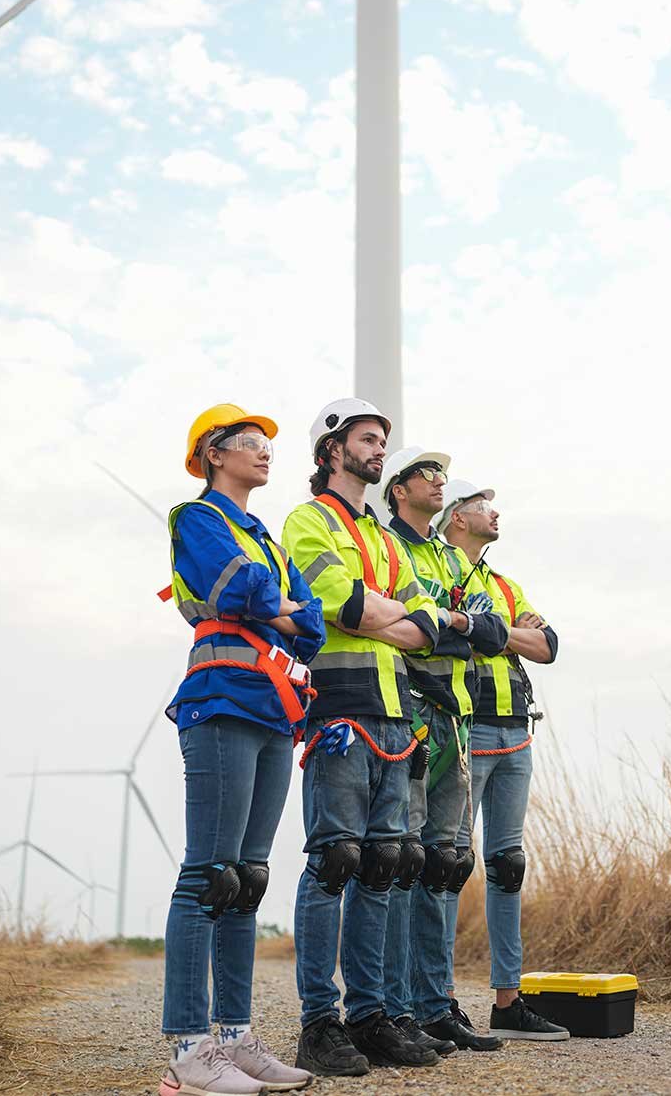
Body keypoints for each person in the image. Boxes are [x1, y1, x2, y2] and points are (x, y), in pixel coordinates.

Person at [158, 403, 327, 1096]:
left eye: (267, 444)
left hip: (274, 709)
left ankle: (235, 1037)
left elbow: (311, 624)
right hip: (221, 699)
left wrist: (278, 608)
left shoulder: (268, 540)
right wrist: (275, 606)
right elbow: (236, 588)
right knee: (208, 875)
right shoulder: (197, 519)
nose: (265, 452)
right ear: (214, 454)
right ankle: (189, 1049)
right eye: (250, 442)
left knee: (246, 879)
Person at [281, 400, 442, 1077]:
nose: (380, 449)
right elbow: (338, 604)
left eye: (382, 440)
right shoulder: (307, 521)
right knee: (335, 860)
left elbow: (428, 624)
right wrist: (392, 616)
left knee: (382, 863)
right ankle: (319, 1024)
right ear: (331, 449)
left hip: (396, 713)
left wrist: (391, 617)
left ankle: (370, 1018)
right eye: (368, 439)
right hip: (340, 711)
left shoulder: (383, 536)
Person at [378, 447, 509, 1053]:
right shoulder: (389, 548)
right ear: (399, 489)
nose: (439, 482)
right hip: (411, 711)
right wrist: (452, 626)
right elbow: (401, 627)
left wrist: (448, 624)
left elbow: (490, 632)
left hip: (458, 717)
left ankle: (435, 1007)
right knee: (401, 862)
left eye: (442, 475)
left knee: (443, 866)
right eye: (427, 474)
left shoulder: (450, 557)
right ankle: (395, 1007)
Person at [439, 479, 569, 1042]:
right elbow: (444, 636)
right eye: (482, 507)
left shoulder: (503, 585)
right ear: (456, 518)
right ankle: (437, 997)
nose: (495, 514)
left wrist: (492, 631)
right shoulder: (438, 572)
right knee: (447, 862)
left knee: (508, 865)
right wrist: (506, 633)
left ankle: (508, 1001)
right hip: (465, 728)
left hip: (517, 729)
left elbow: (548, 646)